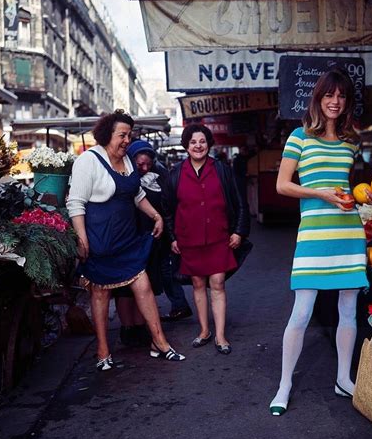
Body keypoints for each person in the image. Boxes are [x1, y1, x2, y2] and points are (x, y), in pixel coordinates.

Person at [269, 69, 369, 415]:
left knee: (348, 310)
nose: (335, 102)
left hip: (347, 232)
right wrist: (319, 193)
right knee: (301, 313)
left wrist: (361, 194)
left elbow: (346, 188)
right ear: (319, 98)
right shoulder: (299, 137)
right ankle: (284, 385)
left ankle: (344, 378)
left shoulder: (351, 141)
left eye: (341, 97)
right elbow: (282, 185)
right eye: (330, 95)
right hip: (313, 235)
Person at [67, 110, 185, 371]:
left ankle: (160, 343)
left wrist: (157, 216)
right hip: (100, 241)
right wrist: (82, 239)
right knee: (100, 294)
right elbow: (75, 202)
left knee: (143, 287)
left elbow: (137, 193)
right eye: (122, 135)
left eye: (129, 135)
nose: (126, 140)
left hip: (127, 240)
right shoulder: (88, 160)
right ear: (107, 134)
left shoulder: (128, 160)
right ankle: (102, 351)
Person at [163, 124, 250, 355]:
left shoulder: (222, 170)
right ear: (186, 145)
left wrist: (238, 232)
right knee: (198, 284)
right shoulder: (175, 174)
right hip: (189, 240)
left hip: (219, 237)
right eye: (193, 142)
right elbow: (168, 210)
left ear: (209, 144)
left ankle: (220, 335)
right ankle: (204, 331)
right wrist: (172, 237)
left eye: (202, 141)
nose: (198, 146)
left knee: (218, 283)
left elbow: (240, 203)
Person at [113, 139, 192, 347]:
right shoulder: (120, 176)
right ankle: (127, 328)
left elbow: (167, 207)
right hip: (125, 239)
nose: (145, 168)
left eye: (148, 164)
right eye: (140, 164)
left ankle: (141, 328)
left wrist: (170, 234)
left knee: (146, 286)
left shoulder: (158, 177)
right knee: (123, 288)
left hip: (151, 241)